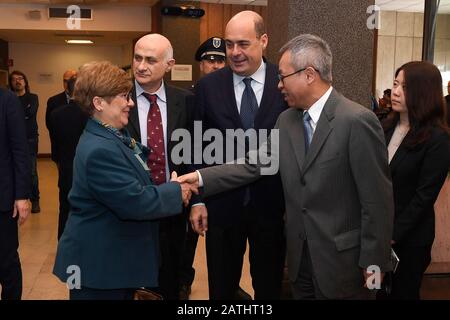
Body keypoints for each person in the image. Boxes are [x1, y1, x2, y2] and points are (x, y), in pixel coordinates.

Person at [181, 33, 394, 300]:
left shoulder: (356, 121)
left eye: (282, 77)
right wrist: (199, 178)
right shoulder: (287, 120)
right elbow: (253, 164)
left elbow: (376, 201)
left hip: (344, 264)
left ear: (308, 75)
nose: (278, 85)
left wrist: (374, 264)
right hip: (299, 261)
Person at [52, 61, 194, 300]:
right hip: (99, 268)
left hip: (110, 263)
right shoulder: (100, 149)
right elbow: (135, 201)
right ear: (98, 103)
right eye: (123, 96)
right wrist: (174, 191)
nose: (130, 102)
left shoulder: (112, 135)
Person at [192, 11, 287, 300]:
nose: (234, 52)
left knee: (270, 286)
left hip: (273, 207)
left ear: (264, 41)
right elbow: (196, 143)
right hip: (222, 206)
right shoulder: (209, 86)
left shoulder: (284, 82)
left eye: (243, 44)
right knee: (221, 288)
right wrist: (197, 199)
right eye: (229, 45)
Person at [126, 34, 195, 300]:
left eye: (151, 60)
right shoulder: (117, 100)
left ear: (169, 65)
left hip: (173, 208)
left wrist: (194, 197)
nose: (141, 66)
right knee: (132, 283)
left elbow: (192, 152)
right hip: (130, 208)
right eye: (137, 57)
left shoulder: (186, 102)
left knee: (169, 280)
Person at [379, 61, 450, 300]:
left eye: (405, 87)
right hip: (377, 233)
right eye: (395, 84)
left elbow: (424, 197)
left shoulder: (438, 139)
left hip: (409, 240)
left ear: (424, 92)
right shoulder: (386, 127)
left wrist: (392, 233)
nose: (396, 92)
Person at [0, 88, 31, 300]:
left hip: (2, 198)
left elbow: (20, 149)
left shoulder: (7, 100)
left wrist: (21, 195)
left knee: (6, 261)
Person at [49, 74, 88, 239]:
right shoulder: (90, 115)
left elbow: (55, 143)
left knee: (64, 208)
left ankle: (63, 242)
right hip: (85, 170)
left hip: (65, 168)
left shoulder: (56, 114)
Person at [9, 70, 40, 213]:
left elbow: (30, 112)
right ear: (11, 83)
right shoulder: (9, 99)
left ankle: (35, 200)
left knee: (32, 171)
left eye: (20, 78)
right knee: (13, 170)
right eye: (14, 79)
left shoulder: (33, 98)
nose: (18, 81)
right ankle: (18, 198)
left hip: (30, 139)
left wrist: (15, 114)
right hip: (12, 140)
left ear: (25, 81)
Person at [46, 70, 77, 163]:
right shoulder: (53, 101)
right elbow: (49, 125)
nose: (67, 84)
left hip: (79, 148)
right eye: (65, 81)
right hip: (60, 148)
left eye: (70, 81)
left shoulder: (84, 102)